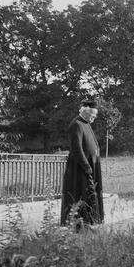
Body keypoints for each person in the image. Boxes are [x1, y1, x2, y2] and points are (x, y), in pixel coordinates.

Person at [60, 98, 104, 230]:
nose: (94, 118)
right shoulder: (77, 124)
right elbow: (76, 149)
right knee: (80, 194)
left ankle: (90, 222)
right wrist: (87, 167)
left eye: (95, 116)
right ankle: (78, 224)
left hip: (90, 166)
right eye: (93, 116)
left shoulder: (85, 123)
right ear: (85, 112)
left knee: (91, 194)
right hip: (79, 169)